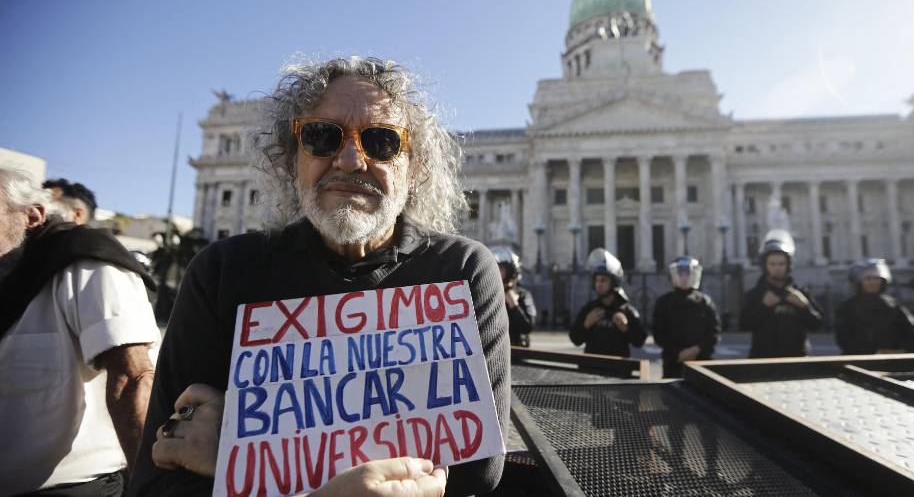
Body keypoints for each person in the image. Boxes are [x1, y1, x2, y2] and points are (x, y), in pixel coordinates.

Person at [129, 57, 510, 497]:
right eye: (321, 136)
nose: (349, 160)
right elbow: (155, 482)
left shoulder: (459, 271)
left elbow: (477, 467)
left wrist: (243, 447)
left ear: (415, 167)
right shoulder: (222, 273)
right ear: (293, 157)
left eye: (382, 141)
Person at [0, 168, 160, 495]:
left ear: (32, 215)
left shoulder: (86, 263)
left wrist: (153, 489)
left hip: (74, 487)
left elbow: (134, 378)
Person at [739, 229, 822, 358]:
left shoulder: (799, 293)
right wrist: (763, 307)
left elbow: (817, 325)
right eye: (772, 264)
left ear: (788, 266)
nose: (777, 268)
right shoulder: (756, 294)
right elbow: (744, 324)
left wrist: (804, 306)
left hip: (797, 361)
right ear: (765, 266)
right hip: (763, 361)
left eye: (781, 264)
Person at [569, 248, 647, 357]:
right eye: (597, 280)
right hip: (591, 369)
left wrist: (626, 328)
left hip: (617, 370)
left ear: (614, 283)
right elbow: (575, 339)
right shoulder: (589, 309)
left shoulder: (626, 310)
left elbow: (640, 341)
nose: (599, 284)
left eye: (604, 280)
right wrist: (586, 324)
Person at [652, 256, 720, 377]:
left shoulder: (704, 301)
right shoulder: (664, 302)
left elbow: (714, 332)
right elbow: (658, 334)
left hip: (702, 360)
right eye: (680, 274)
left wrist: (697, 348)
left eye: (688, 274)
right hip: (673, 362)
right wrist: (677, 353)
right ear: (673, 275)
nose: (684, 278)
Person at [834, 258, 914, 355]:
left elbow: (911, 332)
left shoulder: (894, 305)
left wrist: (901, 351)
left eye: (876, 278)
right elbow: (844, 339)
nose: (873, 282)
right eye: (868, 278)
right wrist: (871, 352)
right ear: (858, 282)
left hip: (892, 362)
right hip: (859, 360)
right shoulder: (847, 308)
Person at [490, 245, 536, 347]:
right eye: (494, 268)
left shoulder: (522, 295)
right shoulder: (490, 294)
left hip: (517, 350)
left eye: (500, 268)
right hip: (495, 350)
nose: (496, 272)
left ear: (510, 270)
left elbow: (527, 327)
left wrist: (515, 306)